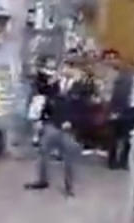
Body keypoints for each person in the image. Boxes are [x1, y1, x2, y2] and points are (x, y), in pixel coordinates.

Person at [26, 59, 93, 197]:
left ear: (75, 70)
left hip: (69, 128)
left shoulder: (82, 87)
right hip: (52, 123)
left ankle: (69, 186)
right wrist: (41, 119)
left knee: (69, 158)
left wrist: (73, 122)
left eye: (69, 67)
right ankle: (42, 180)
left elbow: (84, 109)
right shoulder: (56, 84)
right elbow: (43, 94)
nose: (65, 70)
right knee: (43, 152)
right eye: (64, 67)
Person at [108, 56, 134, 170]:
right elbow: (116, 94)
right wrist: (113, 110)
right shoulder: (124, 78)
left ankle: (124, 160)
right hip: (121, 109)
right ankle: (112, 160)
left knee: (129, 138)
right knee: (114, 137)